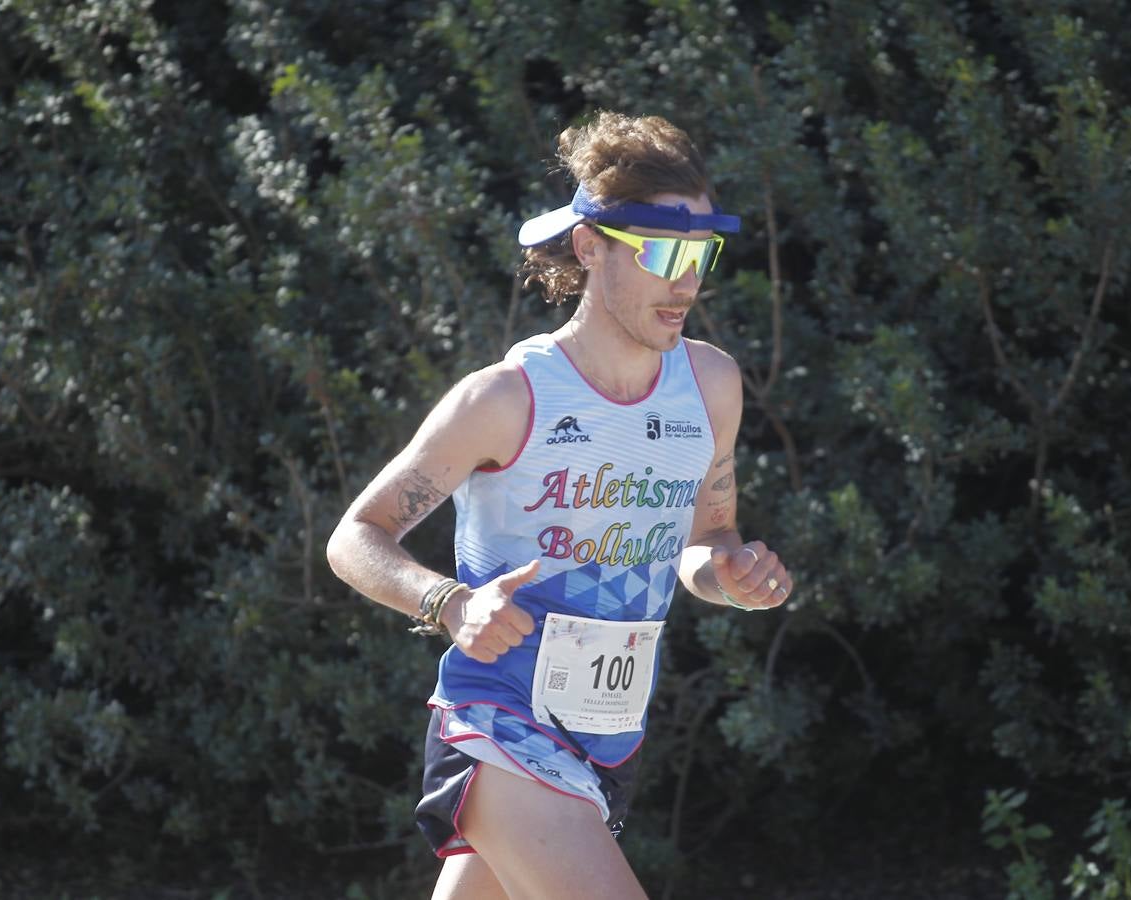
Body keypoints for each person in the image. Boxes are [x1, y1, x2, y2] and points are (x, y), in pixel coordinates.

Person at [326, 111, 792, 900]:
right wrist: (446, 602)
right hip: (501, 725)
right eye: (664, 252)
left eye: (703, 250)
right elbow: (355, 536)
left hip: (607, 743)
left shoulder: (711, 387)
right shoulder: (506, 399)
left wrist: (731, 574)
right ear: (589, 247)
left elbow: (705, 540)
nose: (689, 280)